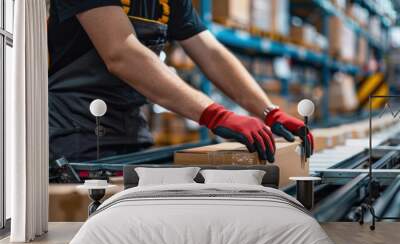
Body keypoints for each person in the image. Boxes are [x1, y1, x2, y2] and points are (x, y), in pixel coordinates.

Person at [48, 0, 313, 162]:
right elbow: (121, 52)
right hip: (75, 135)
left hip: (129, 130)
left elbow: (210, 52)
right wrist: (215, 115)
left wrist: (270, 112)